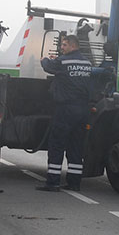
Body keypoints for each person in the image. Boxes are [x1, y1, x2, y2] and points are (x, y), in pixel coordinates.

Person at [40, 34, 92, 190]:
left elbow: (49, 67)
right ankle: (74, 183)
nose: (62, 48)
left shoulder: (63, 61)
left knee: (56, 145)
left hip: (66, 109)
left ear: (73, 46)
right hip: (83, 109)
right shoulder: (87, 63)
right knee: (76, 147)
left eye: (64, 45)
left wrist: (45, 59)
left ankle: (52, 182)